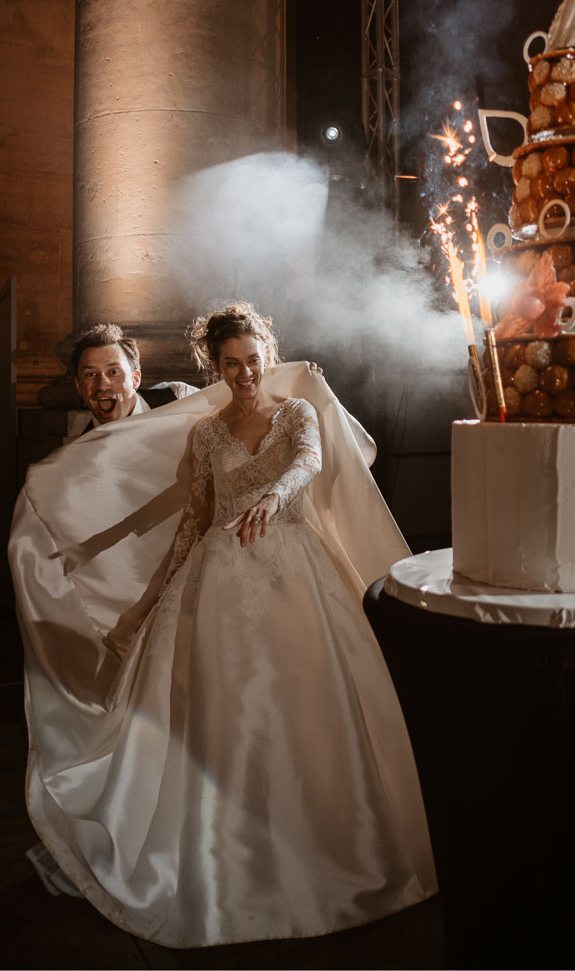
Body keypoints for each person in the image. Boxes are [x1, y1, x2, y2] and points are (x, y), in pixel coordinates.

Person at [11, 304, 435, 947]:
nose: (243, 373)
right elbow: (192, 518)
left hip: (296, 571)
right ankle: (225, 855)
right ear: (217, 367)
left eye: (253, 359)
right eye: (230, 364)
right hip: (216, 578)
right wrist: (147, 601)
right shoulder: (206, 430)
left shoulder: (296, 412)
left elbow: (310, 462)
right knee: (226, 712)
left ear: (269, 351)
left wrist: (274, 493)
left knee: (311, 707)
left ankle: (336, 847)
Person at [67, 322, 197, 439]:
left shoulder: (180, 397)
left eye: (113, 372)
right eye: (91, 374)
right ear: (78, 385)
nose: (102, 385)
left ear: (136, 379)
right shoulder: (79, 456)